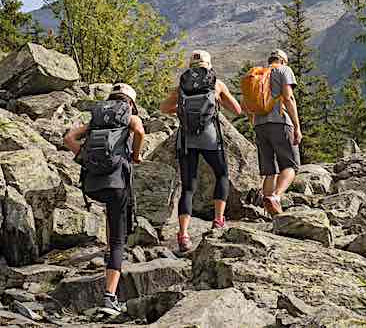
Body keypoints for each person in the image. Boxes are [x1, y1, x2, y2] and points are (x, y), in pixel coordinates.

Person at [63, 83, 145, 317]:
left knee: (111, 218)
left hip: (93, 184)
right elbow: (139, 132)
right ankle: (110, 297)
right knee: (119, 239)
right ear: (130, 102)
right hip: (118, 182)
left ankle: (109, 253)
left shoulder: (97, 119)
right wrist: (136, 156)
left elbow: (69, 138)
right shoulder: (129, 116)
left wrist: (85, 157)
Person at [159, 50, 243, 253]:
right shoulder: (217, 83)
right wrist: (217, 101)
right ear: (208, 64)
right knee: (221, 174)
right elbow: (237, 110)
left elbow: (164, 108)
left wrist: (181, 108)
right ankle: (218, 220)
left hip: (187, 139)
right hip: (210, 137)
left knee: (188, 187)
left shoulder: (182, 85)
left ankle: (183, 235)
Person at [251, 49, 300, 215]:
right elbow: (288, 97)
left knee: (269, 171)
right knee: (290, 165)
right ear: (283, 60)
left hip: (259, 125)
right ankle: (276, 197)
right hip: (279, 123)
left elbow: (247, 104)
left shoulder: (258, 74)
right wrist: (297, 126)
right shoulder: (284, 70)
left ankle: (269, 213)